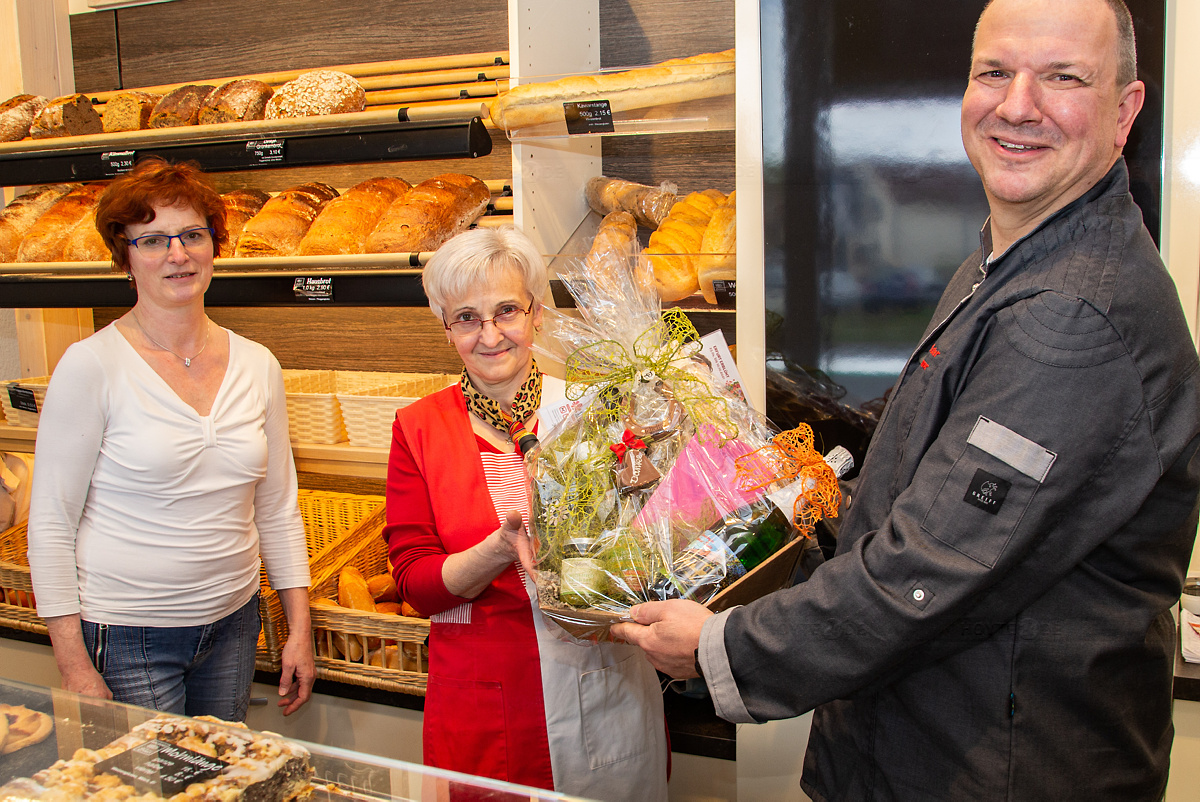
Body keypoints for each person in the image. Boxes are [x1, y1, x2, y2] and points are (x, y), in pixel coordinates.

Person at [614, 0, 1200, 799]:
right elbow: (914, 477)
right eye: (995, 71)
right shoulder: (1009, 260)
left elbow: (930, 569)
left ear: (1123, 110)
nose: (1017, 104)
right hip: (907, 747)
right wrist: (723, 499)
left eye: (1063, 77)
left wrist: (725, 648)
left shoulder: (1074, 314)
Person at [384, 225, 669, 800]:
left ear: (536, 314)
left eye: (506, 310)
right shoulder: (418, 429)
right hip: (486, 711)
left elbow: (657, 546)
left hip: (604, 689)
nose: (489, 334)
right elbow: (416, 583)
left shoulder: (597, 409)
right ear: (445, 329)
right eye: (465, 317)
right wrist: (499, 544)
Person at [28, 157, 314, 720]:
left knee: (217, 781)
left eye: (191, 235)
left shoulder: (258, 365)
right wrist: (74, 665)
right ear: (126, 257)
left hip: (234, 626)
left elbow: (278, 509)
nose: (178, 254)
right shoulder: (91, 366)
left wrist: (297, 628)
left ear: (214, 245)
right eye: (153, 240)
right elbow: (51, 522)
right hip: (129, 632)